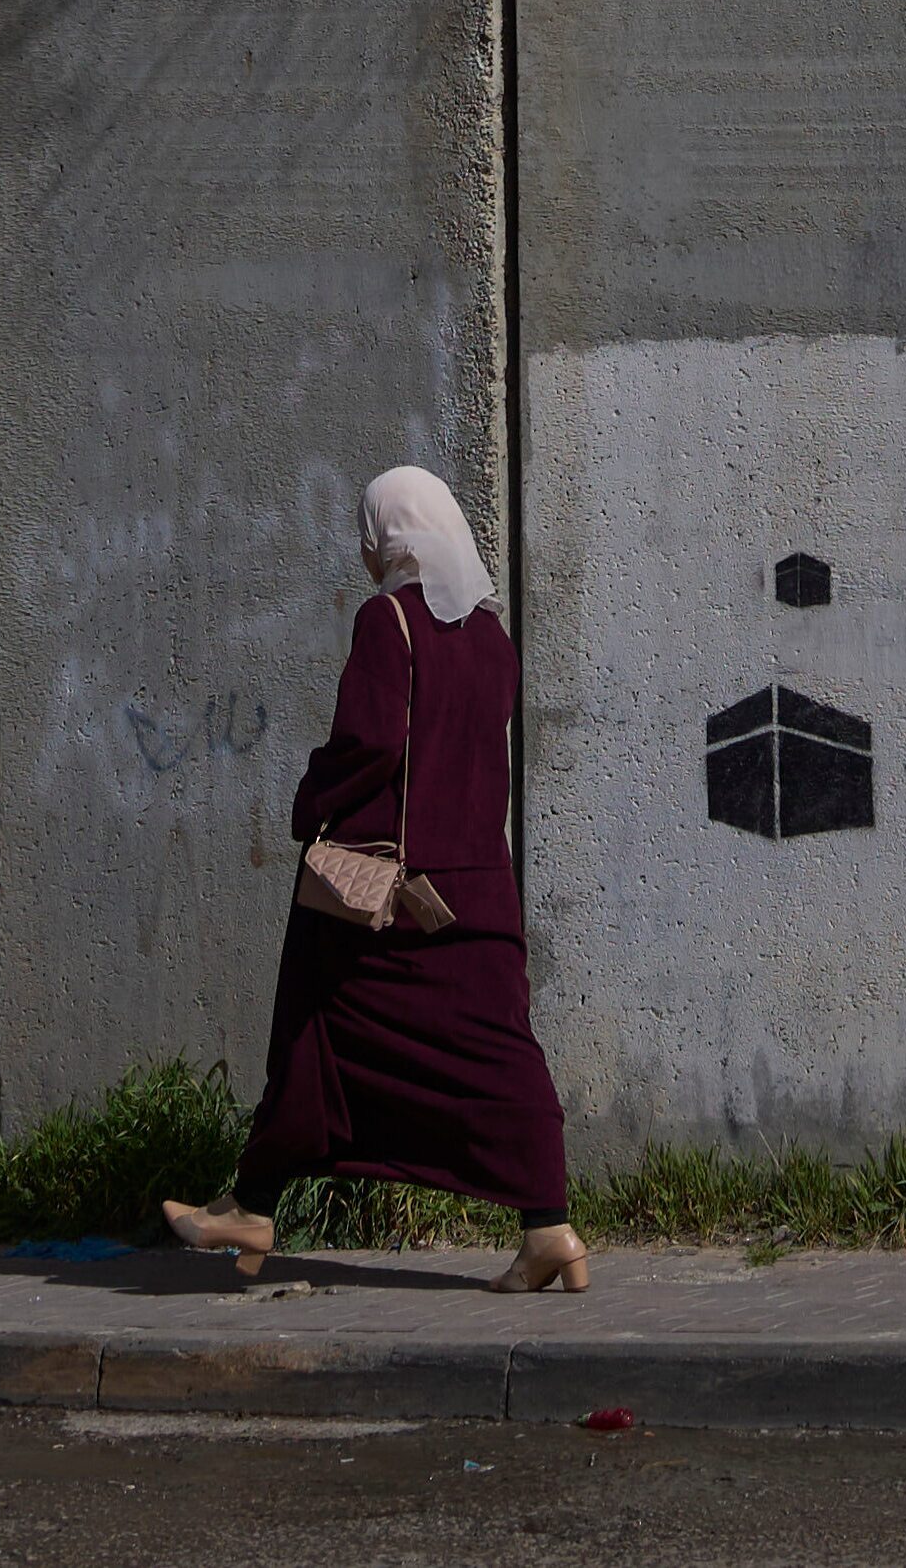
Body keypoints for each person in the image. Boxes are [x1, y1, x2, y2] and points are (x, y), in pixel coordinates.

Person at [163, 465, 589, 1294]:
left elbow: (371, 744)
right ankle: (549, 1227)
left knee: (312, 1031)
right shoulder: (494, 639)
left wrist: (309, 798)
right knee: (498, 1053)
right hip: (478, 889)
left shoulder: (386, 621)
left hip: (388, 900)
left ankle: (251, 1205)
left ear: (388, 534)